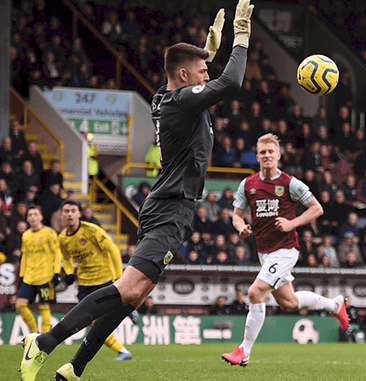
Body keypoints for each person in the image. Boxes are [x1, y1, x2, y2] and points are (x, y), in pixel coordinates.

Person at [20, 2, 252, 380]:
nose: (208, 75)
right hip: (171, 208)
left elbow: (191, 75)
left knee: (135, 296)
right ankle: (45, 342)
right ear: (184, 75)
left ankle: (74, 368)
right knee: (128, 289)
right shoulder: (180, 101)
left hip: (168, 206)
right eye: (203, 71)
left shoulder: (168, 97)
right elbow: (233, 82)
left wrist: (207, 54)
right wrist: (240, 37)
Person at [222, 133, 348, 367]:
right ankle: (335, 305)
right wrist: (240, 228)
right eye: (263, 152)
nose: (267, 155)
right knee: (288, 303)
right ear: (257, 156)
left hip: (286, 249)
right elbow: (236, 216)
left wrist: (292, 223)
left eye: (271, 152)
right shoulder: (247, 184)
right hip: (265, 252)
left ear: (279, 155)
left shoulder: (290, 183)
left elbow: (316, 209)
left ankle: (244, 351)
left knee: (255, 292)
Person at [57, 200, 134, 364]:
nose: (69, 214)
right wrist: (70, 272)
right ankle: (122, 351)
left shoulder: (91, 230)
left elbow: (112, 249)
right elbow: (65, 257)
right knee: (92, 322)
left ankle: (129, 307)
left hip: (104, 278)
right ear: (61, 215)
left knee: (111, 313)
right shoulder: (62, 238)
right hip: (85, 283)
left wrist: (117, 276)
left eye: (73, 211)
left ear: (79, 213)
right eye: (66, 211)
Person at [16, 205, 61, 335]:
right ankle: (35, 333)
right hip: (29, 278)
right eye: (30, 215)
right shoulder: (25, 235)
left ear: (41, 217)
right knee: (20, 305)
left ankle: (44, 338)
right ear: (27, 218)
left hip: (45, 278)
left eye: (35, 214)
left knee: (44, 307)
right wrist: (21, 275)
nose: (32, 217)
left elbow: (57, 253)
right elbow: (25, 256)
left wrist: (57, 272)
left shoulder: (49, 233)